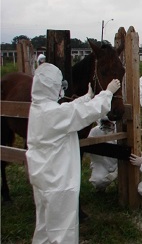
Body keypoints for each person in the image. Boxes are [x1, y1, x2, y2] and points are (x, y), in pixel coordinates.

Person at [26, 63, 121, 244]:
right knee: (62, 229)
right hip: (58, 180)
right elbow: (86, 113)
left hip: (42, 177)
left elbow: (69, 110)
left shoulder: (39, 108)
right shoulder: (54, 114)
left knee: (45, 224)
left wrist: (87, 96)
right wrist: (107, 92)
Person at [87, 117, 118, 192]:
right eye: (105, 123)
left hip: (119, 164)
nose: (107, 125)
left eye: (109, 123)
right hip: (101, 164)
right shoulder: (94, 132)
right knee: (98, 182)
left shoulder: (120, 130)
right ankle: (101, 189)